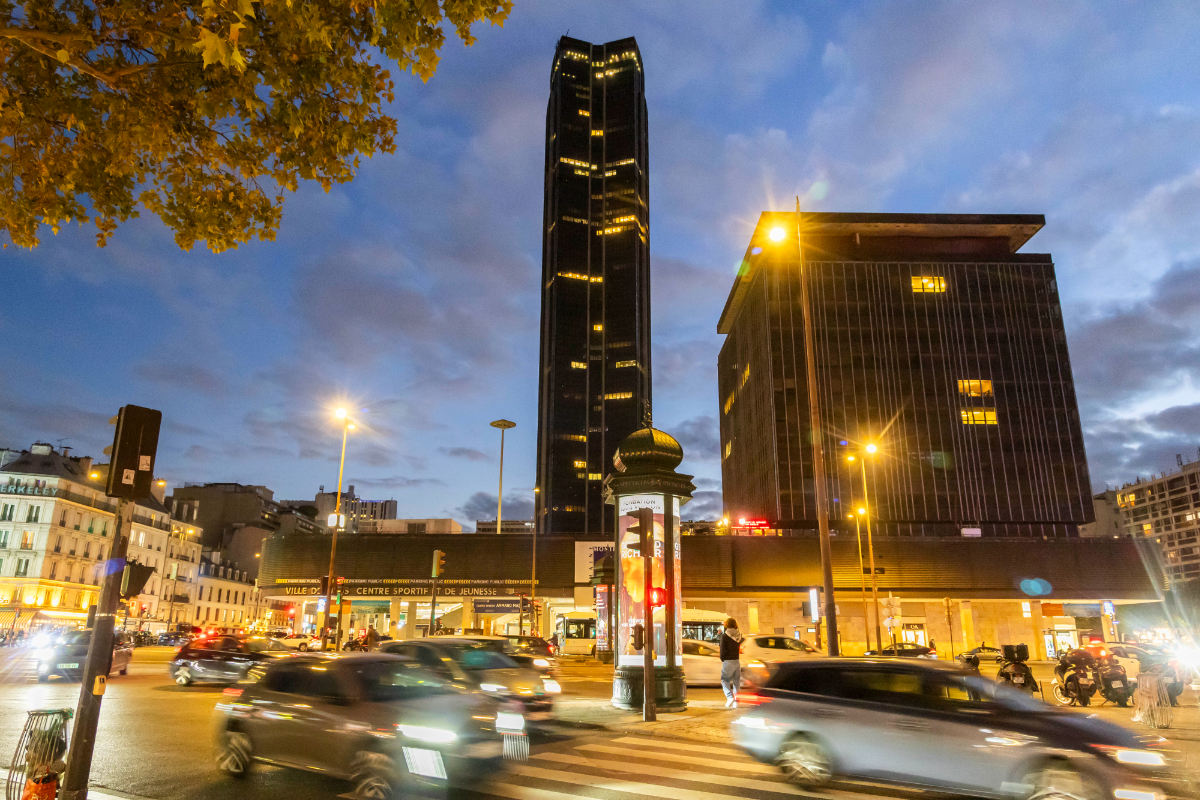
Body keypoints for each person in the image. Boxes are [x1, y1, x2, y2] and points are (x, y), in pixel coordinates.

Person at [719, 617, 744, 708]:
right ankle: (736, 702)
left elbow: (722, 650)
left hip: (728, 661)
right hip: (737, 661)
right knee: (736, 682)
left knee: (725, 680)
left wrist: (723, 659)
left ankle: (729, 697)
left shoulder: (725, 636)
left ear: (727, 625)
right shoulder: (739, 635)